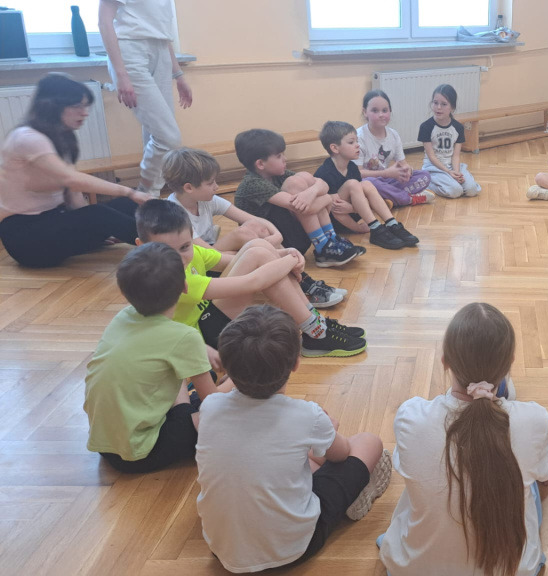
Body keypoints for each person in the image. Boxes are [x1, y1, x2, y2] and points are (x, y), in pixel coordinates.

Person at [196, 305, 391, 573]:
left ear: (227, 368)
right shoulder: (306, 415)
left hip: (222, 550)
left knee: (294, 457)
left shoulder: (209, 407)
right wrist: (330, 429)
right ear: (297, 363)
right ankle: (356, 493)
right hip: (293, 549)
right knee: (369, 442)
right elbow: (342, 454)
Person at [379, 302, 548, 576]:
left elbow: (407, 467)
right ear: (509, 363)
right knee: (529, 488)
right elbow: (545, 474)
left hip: (415, 569)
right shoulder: (535, 418)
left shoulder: (411, 416)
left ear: (445, 361)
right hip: (511, 570)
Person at [135, 199, 367, 358]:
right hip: (202, 341)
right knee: (260, 257)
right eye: (167, 249)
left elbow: (234, 260)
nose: (179, 257)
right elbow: (253, 282)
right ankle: (315, 330)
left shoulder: (194, 252)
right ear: (141, 246)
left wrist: (285, 253)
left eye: (185, 246)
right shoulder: (169, 277)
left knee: (257, 247)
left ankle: (315, 325)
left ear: (191, 239)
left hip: (209, 319)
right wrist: (290, 260)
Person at [83, 243, 229, 473]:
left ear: (124, 292)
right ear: (185, 286)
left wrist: (199, 348)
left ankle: (186, 408)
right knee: (227, 416)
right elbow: (214, 404)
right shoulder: (184, 337)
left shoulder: (123, 317)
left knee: (190, 377)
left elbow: (161, 342)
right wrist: (238, 379)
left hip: (106, 442)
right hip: (141, 453)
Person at [0, 74, 150, 268]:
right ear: (52, 105)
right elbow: (71, 179)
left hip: (53, 223)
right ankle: (165, 248)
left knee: (126, 205)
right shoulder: (27, 138)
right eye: (77, 106)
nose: (85, 113)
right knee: (101, 213)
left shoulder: (61, 137)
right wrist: (128, 191)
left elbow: (72, 192)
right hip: (26, 240)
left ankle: (169, 238)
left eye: (86, 106)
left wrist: (92, 231)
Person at [164, 147, 345, 307]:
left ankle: (301, 283)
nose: (216, 186)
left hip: (214, 254)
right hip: (200, 266)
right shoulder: (175, 215)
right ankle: (302, 284)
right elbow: (205, 255)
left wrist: (276, 236)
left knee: (252, 229)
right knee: (246, 236)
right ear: (189, 188)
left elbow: (255, 221)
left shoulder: (207, 200)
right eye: (210, 183)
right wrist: (262, 251)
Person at [98, 0, 191, 198]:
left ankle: (150, 197)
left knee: (155, 133)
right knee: (169, 137)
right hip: (130, 51)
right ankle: (146, 191)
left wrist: (179, 75)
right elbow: (104, 23)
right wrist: (121, 74)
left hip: (161, 52)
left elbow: (162, 35)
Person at [233, 129, 363, 267]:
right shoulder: (252, 183)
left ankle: (330, 240)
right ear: (260, 164)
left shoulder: (277, 174)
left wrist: (312, 192)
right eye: (279, 156)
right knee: (295, 183)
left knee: (304, 177)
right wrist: (328, 198)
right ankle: (323, 247)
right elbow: (303, 208)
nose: (285, 159)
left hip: (293, 236)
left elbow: (322, 184)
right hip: (276, 244)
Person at [314, 121, 419, 250]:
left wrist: (353, 208)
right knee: (353, 184)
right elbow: (336, 211)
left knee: (367, 184)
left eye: (357, 141)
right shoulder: (325, 172)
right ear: (335, 148)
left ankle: (392, 224)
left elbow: (360, 201)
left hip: (351, 212)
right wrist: (358, 228)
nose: (357, 145)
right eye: (351, 142)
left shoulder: (352, 167)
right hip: (336, 222)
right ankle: (375, 228)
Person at [356, 90, 435, 207]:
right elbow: (358, 173)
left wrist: (407, 170)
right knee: (369, 182)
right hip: (367, 182)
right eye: (375, 110)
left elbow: (403, 164)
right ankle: (407, 199)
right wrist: (387, 173)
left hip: (386, 181)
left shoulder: (393, 135)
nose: (381, 114)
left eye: (385, 110)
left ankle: (388, 198)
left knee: (424, 176)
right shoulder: (359, 137)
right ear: (365, 112)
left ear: (390, 111)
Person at [418, 84, 482, 199]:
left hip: (452, 165)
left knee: (472, 190)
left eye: (444, 104)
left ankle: (453, 179)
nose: (438, 107)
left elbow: (456, 155)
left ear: (452, 107)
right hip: (434, 167)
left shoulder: (458, 127)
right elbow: (431, 157)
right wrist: (448, 172)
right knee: (455, 191)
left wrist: (456, 172)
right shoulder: (426, 127)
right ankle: (427, 180)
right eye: (435, 103)